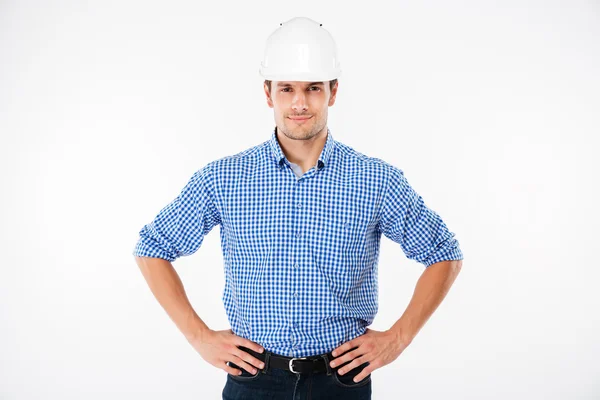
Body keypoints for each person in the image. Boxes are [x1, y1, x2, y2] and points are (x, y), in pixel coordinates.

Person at [133, 16, 463, 400]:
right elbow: (152, 248)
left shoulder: (376, 180)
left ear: (333, 92)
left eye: (313, 88)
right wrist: (199, 337)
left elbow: (445, 254)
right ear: (269, 93)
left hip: (340, 380)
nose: (299, 103)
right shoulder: (223, 178)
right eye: (287, 88)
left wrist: (398, 338)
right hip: (253, 378)